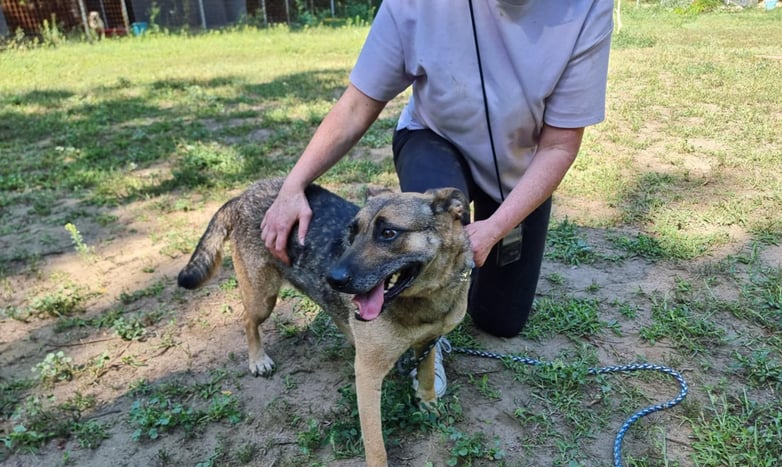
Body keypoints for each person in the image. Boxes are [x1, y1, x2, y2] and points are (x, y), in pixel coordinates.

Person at [261, 0, 613, 397]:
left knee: (502, 320)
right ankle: (425, 343)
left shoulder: (589, 8)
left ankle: (459, 286)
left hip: (518, 167)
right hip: (433, 140)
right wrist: (293, 186)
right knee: (431, 234)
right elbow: (358, 104)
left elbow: (559, 147)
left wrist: (497, 227)